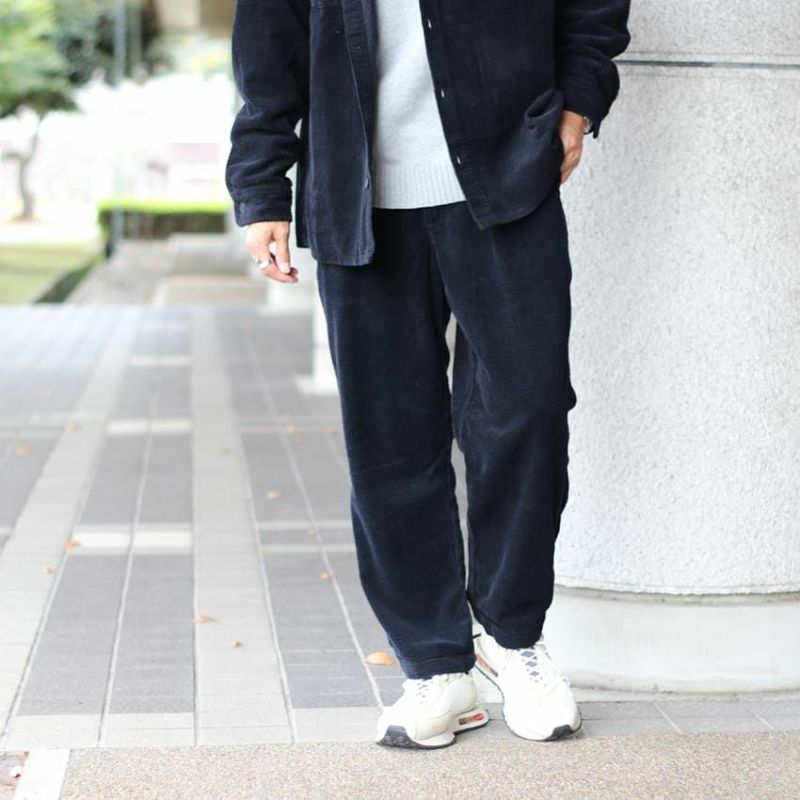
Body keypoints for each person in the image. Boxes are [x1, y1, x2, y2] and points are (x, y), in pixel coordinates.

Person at [226, 0, 631, 749]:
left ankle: (512, 639)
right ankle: (436, 665)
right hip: (360, 198)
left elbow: (595, 8)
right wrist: (260, 187)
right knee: (389, 445)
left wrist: (578, 105)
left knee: (528, 411)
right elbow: (267, 46)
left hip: (506, 181)